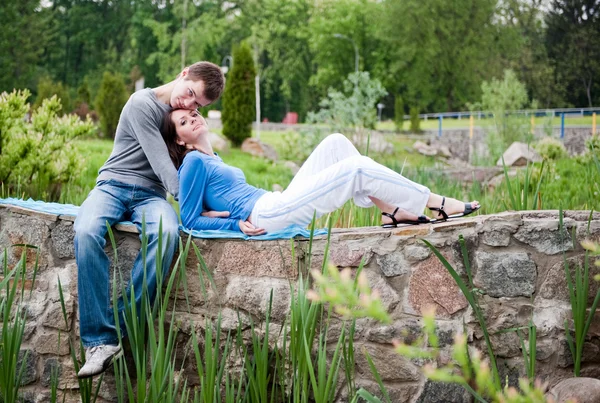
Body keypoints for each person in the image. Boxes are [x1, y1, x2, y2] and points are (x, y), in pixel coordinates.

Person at [74, 62, 225, 379]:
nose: (188, 105)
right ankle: (98, 341)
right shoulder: (142, 103)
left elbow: (207, 169)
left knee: (167, 231)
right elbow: (167, 170)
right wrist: (195, 204)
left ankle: (121, 324)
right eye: (190, 95)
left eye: (198, 106)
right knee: (87, 230)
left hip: (150, 197)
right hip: (113, 186)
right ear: (183, 73)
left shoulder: (181, 118)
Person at [161, 109, 480, 235]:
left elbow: (207, 205)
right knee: (355, 168)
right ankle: (435, 201)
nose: (193, 119)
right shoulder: (193, 162)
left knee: (336, 144)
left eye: (193, 114)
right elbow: (188, 219)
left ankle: (390, 211)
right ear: (179, 139)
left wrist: (218, 213)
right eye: (184, 122)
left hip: (274, 202)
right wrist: (234, 224)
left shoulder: (212, 157)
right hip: (264, 215)